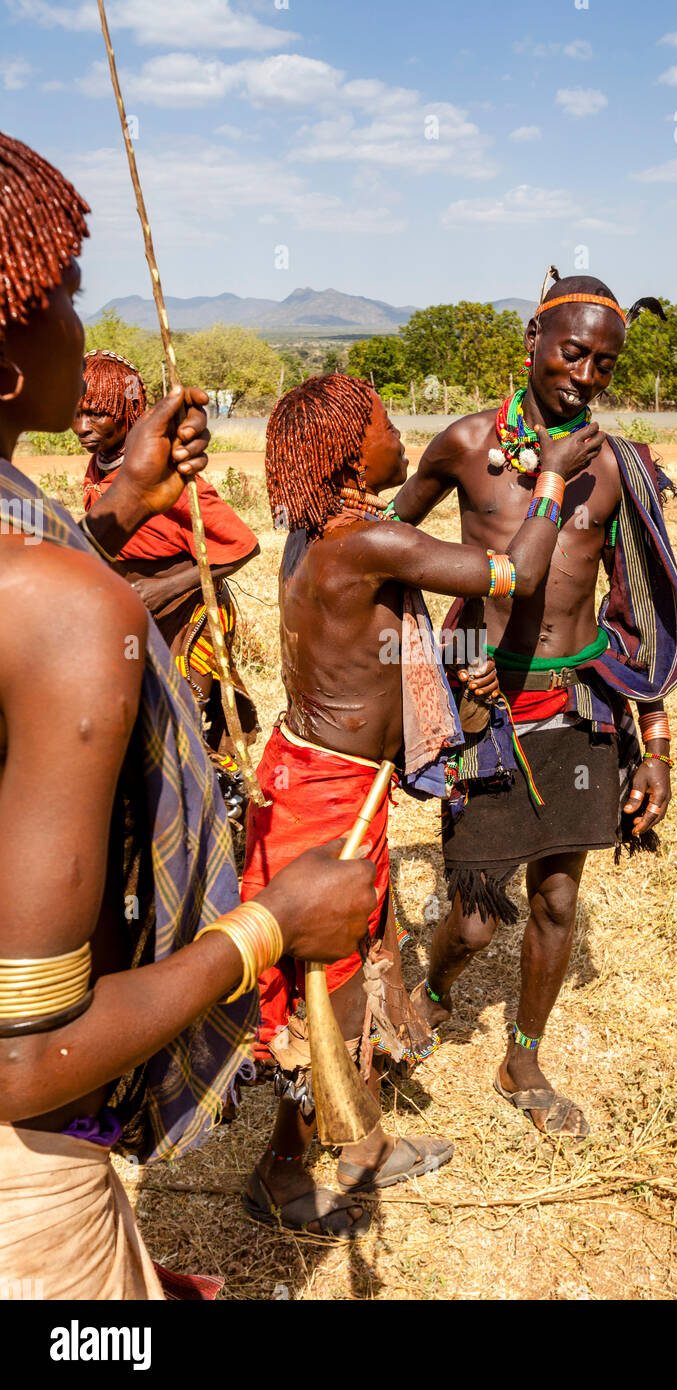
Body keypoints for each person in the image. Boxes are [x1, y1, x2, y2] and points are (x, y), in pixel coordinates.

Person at [0, 130, 376, 1296]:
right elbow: (24, 1059)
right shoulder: (57, 610)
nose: (78, 316)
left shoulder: (49, 566)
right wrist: (268, 926)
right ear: (8, 365)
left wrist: (110, 520)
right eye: (58, 292)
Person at [241, 371, 600, 1234]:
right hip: (328, 794)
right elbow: (512, 573)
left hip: (317, 774)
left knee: (359, 959)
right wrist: (550, 479)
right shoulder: (365, 540)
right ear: (348, 452)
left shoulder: (324, 527)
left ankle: (362, 1144)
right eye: (383, 424)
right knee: (324, 984)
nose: (399, 434)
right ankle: (281, 1173)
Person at [390, 270, 677, 1137]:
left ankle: (522, 1057)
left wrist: (658, 748)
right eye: (572, 353)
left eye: (605, 363)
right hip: (488, 717)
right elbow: (393, 555)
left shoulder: (618, 470)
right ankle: (433, 993)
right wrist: (453, 658)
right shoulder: (462, 445)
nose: (586, 376)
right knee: (479, 916)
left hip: (581, 709)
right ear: (532, 340)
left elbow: (643, 612)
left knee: (559, 900)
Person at [74, 349, 260, 825]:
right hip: (139, 616)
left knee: (182, 725)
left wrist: (163, 590)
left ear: (129, 410)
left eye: (97, 412)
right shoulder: (102, 465)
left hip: (187, 615)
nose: (82, 425)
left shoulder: (170, 474)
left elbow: (242, 544)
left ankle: (209, 819)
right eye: (78, 411)